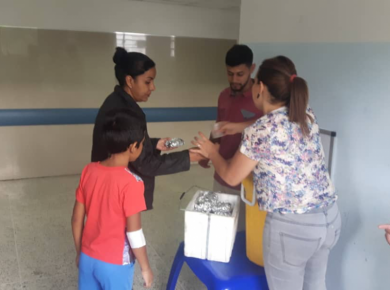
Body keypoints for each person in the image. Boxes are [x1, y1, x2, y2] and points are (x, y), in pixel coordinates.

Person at [192, 56, 341, 290]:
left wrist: (212, 152)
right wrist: (238, 126)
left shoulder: (261, 131)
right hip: (329, 220)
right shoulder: (306, 114)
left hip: (293, 229)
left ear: (259, 87)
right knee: (316, 285)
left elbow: (231, 176)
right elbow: (277, 126)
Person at [92, 47, 204, 210]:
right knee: (126, 231)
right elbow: (146, 164)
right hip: (120, 193)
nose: (153, 87)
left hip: (107, 186)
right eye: (148, 81)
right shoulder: (129, 113)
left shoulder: (114, 101)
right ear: (130, 81)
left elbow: (122, 140)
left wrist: (154, 143)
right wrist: (191, 156)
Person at [72, 109, 153, 289]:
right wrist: (145, 267)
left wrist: (80, 252)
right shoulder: (132, 182)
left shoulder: (89, 170)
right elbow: (134, 233)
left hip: (87, 258)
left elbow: (77, 219)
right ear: (133, 147)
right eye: (141, 144)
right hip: (115, 264)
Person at [199, 44, 262, 230]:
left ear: (252, 69)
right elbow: (218, 127)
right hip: (220, 173)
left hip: (247, 181)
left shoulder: (261, 99)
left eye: (240, 74)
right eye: (229, 73)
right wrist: (209, 150)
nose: (234, 80)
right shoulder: (224, 95)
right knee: (220, 227)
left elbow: (268, 129)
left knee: (243, 233)